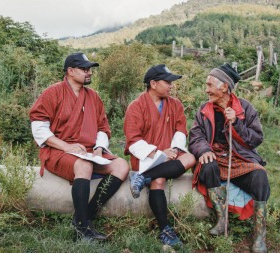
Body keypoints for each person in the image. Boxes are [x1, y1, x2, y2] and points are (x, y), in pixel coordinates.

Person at [29, 52, 129, 241]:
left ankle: (84, 217)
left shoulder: (94, 97)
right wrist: (67, 147)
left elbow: (102, 127)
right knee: (84, 165)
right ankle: (83, 229)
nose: (89, 72)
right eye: (84, 69)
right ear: (70, 71)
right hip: (58, 151)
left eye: (90, 69)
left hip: (89, 152)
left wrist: (99, 147)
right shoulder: (53, 93)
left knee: (122, 166)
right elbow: (39, 128)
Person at [188, 63, 270, 253]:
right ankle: (222, 219)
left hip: (239, 158)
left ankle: (259, 235)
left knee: (260, 176)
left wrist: (237, 123)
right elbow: (195, 136)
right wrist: (203, 150)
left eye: (209, 85)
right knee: (207, 165)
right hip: (215, 156)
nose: (206, 90)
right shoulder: (204, 109)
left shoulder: (245, 108)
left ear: (224, 86)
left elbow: (256, 139)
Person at [124, 64, 196, 246]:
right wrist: (156, 152)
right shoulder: (136, 106)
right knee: (159, 180)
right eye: (167, 81)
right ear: (153, 83)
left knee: (190, 158)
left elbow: (180, 130)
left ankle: (141, 178)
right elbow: (133, 140)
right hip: (146, 157)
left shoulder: (175, 104)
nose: (171, 85)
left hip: (170, 155)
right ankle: (165, 229)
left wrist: (174, 150)